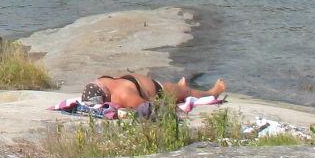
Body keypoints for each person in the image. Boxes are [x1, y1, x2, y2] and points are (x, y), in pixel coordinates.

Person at [81, 71, 226, 113]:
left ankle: (180, 88)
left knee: (181, 89)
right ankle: (213, 92)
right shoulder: (124, 96)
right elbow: (152, 108)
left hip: (141, 84)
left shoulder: (100, 82)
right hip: (159, 91)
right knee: (186, 92)